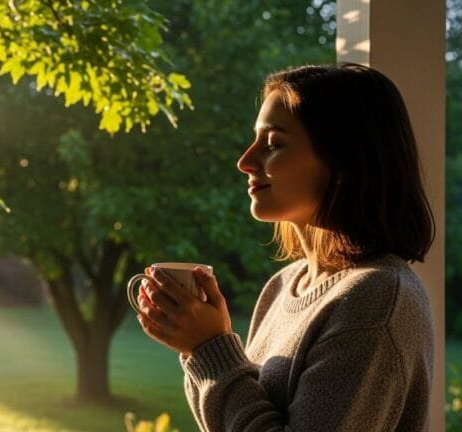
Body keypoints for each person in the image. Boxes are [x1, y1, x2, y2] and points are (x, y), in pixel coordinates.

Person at [135, 63, 435, 431]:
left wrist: (210, 349)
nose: (245, 161)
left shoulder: (378, 298)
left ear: (344, 161)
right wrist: (198, 347)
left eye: (274, 143)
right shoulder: (283, 286)